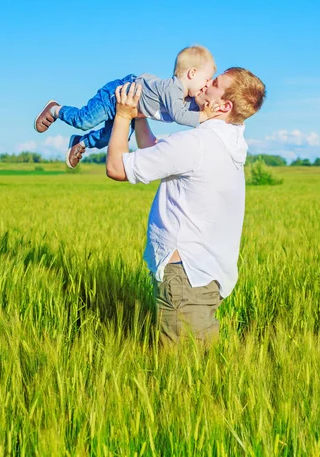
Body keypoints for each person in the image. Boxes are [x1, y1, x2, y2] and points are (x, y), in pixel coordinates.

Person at [105, 67, 266, 346]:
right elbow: (154, 151)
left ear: (224, 105)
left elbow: (117, 168)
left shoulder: (197, 143)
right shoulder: (230, 140)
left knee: (182, 371)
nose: (204, 84)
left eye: (213, 84)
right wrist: (139, 117)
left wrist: (122, 115)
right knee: (201, 368)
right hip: (206, 274)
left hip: (185, 276)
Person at [33, 45, 219, 168]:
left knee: (108, 138)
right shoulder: (173, 88)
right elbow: (181, 116)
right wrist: (205, 115)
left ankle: (79, 142)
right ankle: (55, 109)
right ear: (192, 73)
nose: (206, 84)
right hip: (117, 94)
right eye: (206, 79)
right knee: (84, 120)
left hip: (130, 111)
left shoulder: (186, 98)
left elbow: (192, 110)